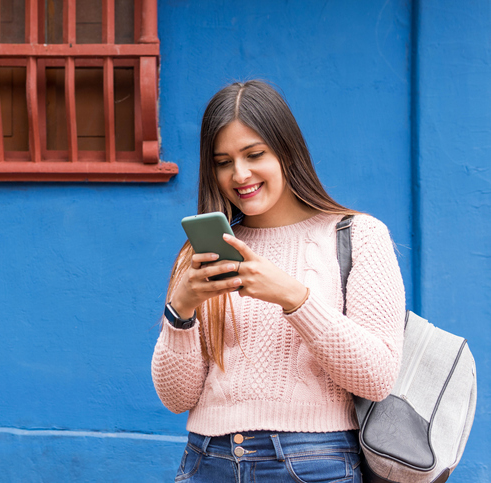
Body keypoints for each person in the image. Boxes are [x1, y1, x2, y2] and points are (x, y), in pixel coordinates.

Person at [151, 80, 406, 483]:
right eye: (223, 161)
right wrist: (179, 312)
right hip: (207, 460)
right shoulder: (202, 253)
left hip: (312, 463)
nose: (240, 174)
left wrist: (293, 298)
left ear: (286, 151)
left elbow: (376, 377)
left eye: (255, 154)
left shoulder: (358, 235)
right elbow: (176, 397)